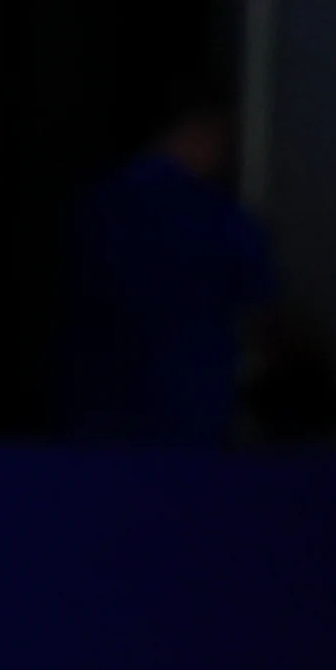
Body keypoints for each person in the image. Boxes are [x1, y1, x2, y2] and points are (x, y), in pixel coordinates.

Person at [59, 94, 274, 448]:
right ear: (206, 133)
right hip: (184, 417)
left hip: (96, 417)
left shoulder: (101, 202)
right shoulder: (216, 218)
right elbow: (266, 314)